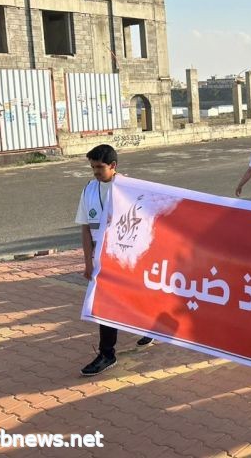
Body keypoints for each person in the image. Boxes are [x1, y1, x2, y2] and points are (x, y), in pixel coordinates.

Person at [78, 145, 152, 376]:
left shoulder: (129, 190)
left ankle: (107, 353)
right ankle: (110, 351)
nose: (95, 172)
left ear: (113, 166)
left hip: (124, 256)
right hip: (99, 257)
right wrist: (88, 262)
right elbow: (84, 227)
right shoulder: (89, 189)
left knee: (111, 303)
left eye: (99, 167)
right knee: (108, 303)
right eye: (92, 167)